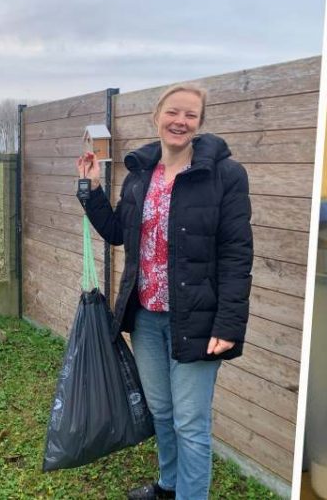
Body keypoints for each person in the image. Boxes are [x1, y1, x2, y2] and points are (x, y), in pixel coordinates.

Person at [76, 84, 253, 500]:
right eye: (174, 112)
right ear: (157, 116)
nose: (181, 121)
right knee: (163, 412)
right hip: (147, 317)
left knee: (191, 422)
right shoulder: (141, 173)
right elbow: (120, 233)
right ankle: (169, 486)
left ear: (200, 123)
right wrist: (91, 190)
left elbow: (236, 253)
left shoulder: (225, 175)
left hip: (199, 320)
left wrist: (229, 323)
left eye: (191, 115)